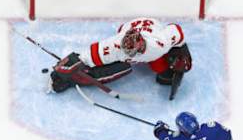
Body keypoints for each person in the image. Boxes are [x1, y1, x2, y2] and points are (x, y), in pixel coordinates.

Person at [49, 17, 192, 99]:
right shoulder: (116, 45)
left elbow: (175, 30)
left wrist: (182, 50)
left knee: (160, 67)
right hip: (127, 26)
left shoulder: (159, 44)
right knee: (121, 66)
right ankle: (75, 80)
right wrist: (66, 71)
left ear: (141, 48)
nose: (126, 54)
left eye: (131, 52)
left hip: (152, 25)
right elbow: (86, 56)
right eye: (125, 50)